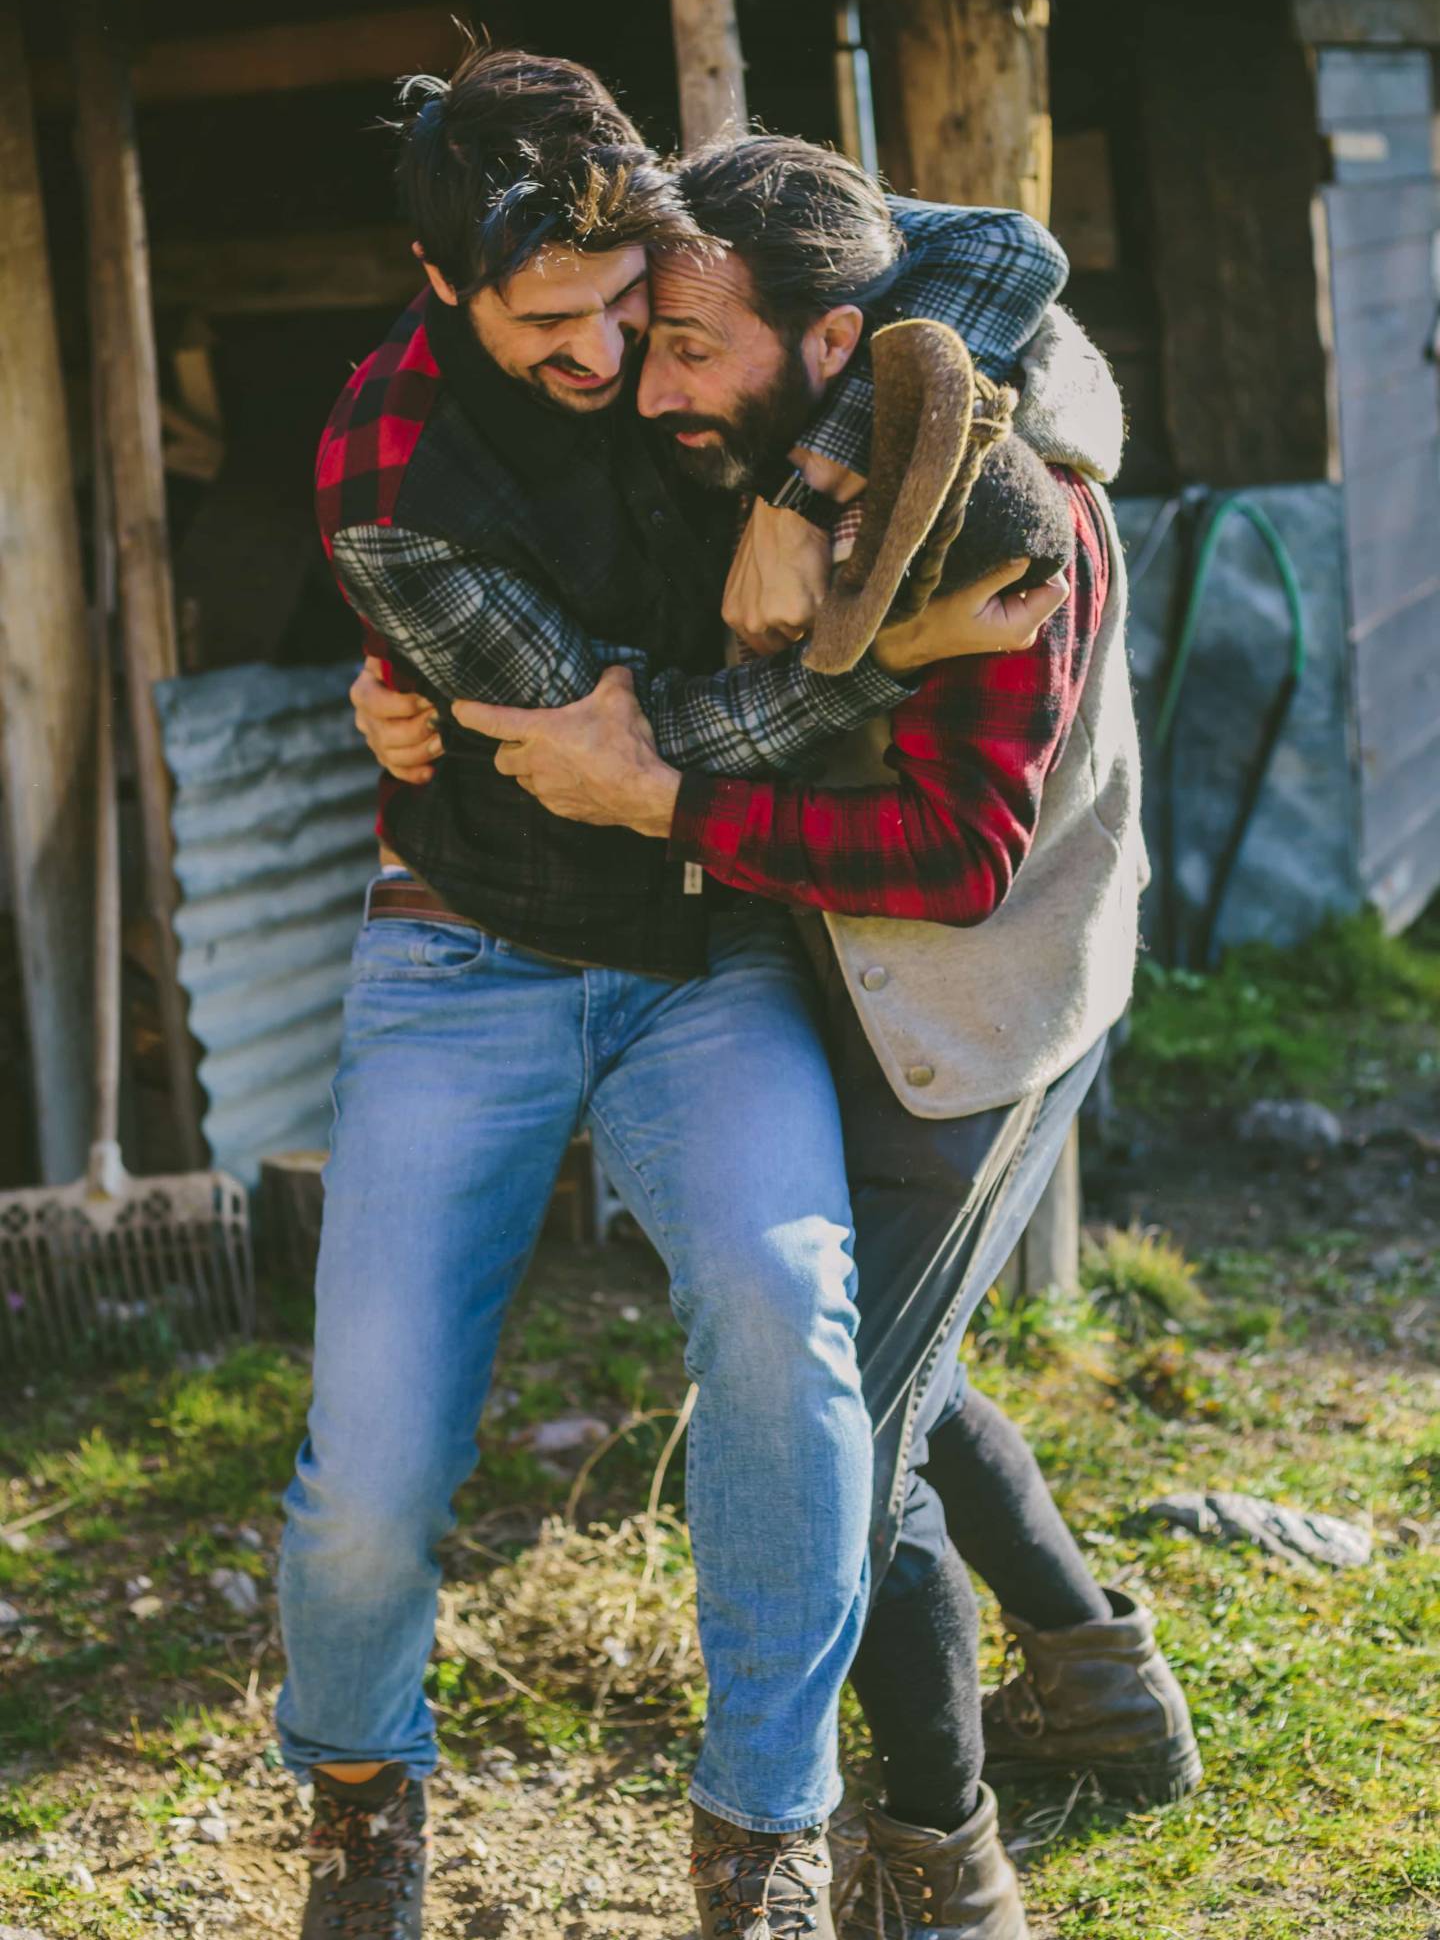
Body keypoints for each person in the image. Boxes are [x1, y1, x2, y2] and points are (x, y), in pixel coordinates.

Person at [349, 111, 1199, 1940]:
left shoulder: (998, 500)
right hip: (836, 980)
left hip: (978, 1005)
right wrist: (421, 686)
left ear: (833, 341)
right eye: (630, 330)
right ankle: (1107, 1691)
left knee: (852, 1423)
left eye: (677, 343)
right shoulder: (773, 431)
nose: (636, 380)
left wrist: (652, 792)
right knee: (900, 1358)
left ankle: (944, 1860)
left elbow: (956, 856)